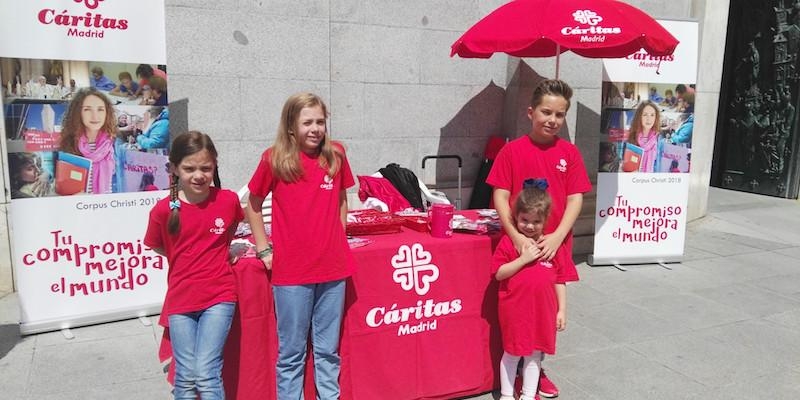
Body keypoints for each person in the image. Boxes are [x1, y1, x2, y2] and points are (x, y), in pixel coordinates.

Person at [245, 92, 356, 400]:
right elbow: (252, 205)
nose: (315, 128)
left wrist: (338, 234)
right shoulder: (274, 159)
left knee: (327, 350)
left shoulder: (336, 154)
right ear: (291, 126)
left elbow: (342, 199)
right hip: (292, 272)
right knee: (292, 354)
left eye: (320, 121)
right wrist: (263, 248)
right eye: (307, 122)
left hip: (333, 269)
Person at [486, 79, 591, 398]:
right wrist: (516, 236)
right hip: (519, 245)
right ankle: (513, 372)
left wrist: (558, 236)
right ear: (531, 112)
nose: (552, 120)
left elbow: (576, 199)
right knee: (518, 313)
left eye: (560, 115)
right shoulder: (511, 151)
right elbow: (500, 196)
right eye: (546, 112)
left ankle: (536, 369)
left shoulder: (569, 153)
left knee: (544, 316)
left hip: (551, 248)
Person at [144, 131, 242, 399]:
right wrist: (183, 257)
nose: (198, 175)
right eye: (189, 168)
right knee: (185, 376)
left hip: (219, 296)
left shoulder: (227, 200)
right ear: (174, 168)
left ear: (214, 167)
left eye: (206, 168)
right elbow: (155, 244)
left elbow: (234, 224)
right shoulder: (163, 210)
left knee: (207, 371)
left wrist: (225, 247)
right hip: (180, 299)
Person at [493, 183, 569, 400]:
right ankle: (507, 395)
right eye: (524, 220)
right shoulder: (510, 243)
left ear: (545, 221)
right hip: (515, 310)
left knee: (535, 355)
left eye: (536, 221)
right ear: (516, 217)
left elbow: (560, 280)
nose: (529, 226)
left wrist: (561, 310)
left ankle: (528, 395)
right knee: (512, 353)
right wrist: (523, 259)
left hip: (542, 311)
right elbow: (499, 273)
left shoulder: (551, 246)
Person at [58, 88, 117, 194]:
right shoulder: (68, 144)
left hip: (107, 206)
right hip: (78, 207)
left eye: (100, 109)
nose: (95, 116)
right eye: (87, 109)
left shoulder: (113, 144)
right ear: (78, 113)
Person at [628, 101, 663, 172]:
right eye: (645, 115)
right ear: (639, 117)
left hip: (652, 180)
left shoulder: (659, 139)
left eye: (652, 115)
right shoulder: (631, 137)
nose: (648, 119)